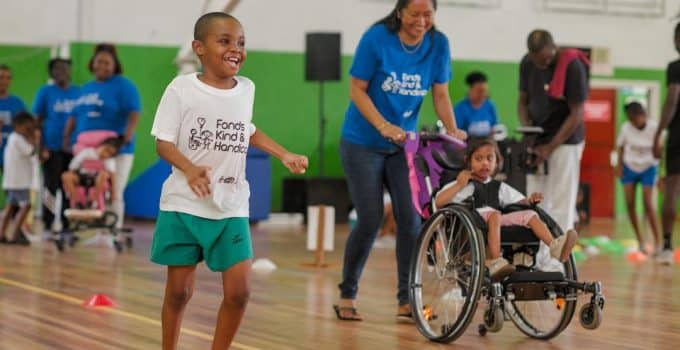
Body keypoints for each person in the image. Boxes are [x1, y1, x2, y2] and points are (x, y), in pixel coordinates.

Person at [149, 12, 308, 349]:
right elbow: (163, 141)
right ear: (199, 48)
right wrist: (190, 169)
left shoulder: (246, 89)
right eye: (225, 41)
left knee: (240, 293)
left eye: (241, 43)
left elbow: (246, 129)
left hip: (231, 206)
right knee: (179, 293)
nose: (236, 49)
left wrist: (283, 154)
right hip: (184, 204)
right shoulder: (181, 89)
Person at [335, 0, 467, 322]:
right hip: (362, 143)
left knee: (410, 220)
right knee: (370, 218)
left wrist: (452, 130)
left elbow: (440, 94)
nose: (421, 21)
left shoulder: (439, 44)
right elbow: (356, 89)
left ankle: (407, 300)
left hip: (404, 146)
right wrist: (382, 125)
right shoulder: (377, 38)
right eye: (414, 14)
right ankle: (347, 294)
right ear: (400, 13)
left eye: (428, 14)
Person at [435, 138, 577, 280]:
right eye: (478, 159)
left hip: (495, 221)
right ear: (469, 162)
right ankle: (496, 260)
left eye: (489, 158)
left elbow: (519, 201)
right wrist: (459, 185)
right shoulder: (464, 184)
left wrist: (530, 200)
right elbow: (438, 202)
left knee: (530, 214)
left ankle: (554, 246)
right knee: (494, 214)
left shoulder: (499, 187)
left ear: (497, 162)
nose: (485, 163)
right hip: (473, 221)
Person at [517, 29, 589, 271]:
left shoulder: (572, 65)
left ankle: (557, 262)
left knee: (560, 201)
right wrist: (528, 133)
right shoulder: (527, 64)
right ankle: (536, 258)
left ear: (553, 48)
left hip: (565, 141)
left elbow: (577, 114)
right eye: (539, 60)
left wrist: (550, 147)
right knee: (534, 201)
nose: (543, 64)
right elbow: (522, 101)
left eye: (547, 59)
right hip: (539, 139)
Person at [63, 44, 140, 231]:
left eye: (107, 63)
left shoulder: (123, 85)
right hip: (87, 150)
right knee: (84, 185)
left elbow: (134, 112)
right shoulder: (86, 88)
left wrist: (127, 136)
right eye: (99, 62)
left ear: (114, 65)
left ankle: (114, 230)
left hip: (114, 149)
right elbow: (74, 115)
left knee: (115, 189)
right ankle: (88, 222)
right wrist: (66, 138)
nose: (102, 66)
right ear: (92, 64)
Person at [33, 58, 80, 233]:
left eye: (65, 68)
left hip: (73, 149)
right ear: (51, 72)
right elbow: (37, 122)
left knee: (69, 187)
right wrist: (40, 148)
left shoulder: (78, 92)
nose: (62, 71)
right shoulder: (45, 92)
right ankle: (48, 223)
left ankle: (67, 224)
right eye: (57, 69)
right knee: (50, 187)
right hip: (51, 148)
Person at [615, 102, 660, 254]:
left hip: (649, 167)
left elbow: (661, 152)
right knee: (629, 203)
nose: (633, 122)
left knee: (648, 203)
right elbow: (620, 147)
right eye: (630, 119)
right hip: (630, 166)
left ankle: (659, 242)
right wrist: (619, 165)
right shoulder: (626, 128)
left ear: (643, 115)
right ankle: (640, 240)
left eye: (635, 119)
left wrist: (662, 174)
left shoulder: (654, 128)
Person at [653, 22, 680, 265]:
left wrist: (659, 132)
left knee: (672, 189)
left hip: (678, 135)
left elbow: (672, 99)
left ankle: (668, 245)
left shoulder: (675, 67)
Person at [0, 112, 39, 245]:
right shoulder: (18, 139)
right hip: (19, 182)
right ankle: (15, 234)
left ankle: (2, 233)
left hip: (11, 181)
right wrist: (34, 139)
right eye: (28, 128)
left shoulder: (12, 138)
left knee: (11, 207)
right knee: (26, 205)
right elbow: (32, 151)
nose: (29, 131)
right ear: (18, 126)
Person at [61, 136, 122, 209]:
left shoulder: (109, 160)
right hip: (82, 177)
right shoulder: (87, 152)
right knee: (65, 176)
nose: (106, 154)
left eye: (110, 154)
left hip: (97, 180)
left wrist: (113, 192)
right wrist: (68, 180)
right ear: (101, 145)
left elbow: (112, 175)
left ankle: (92, 200)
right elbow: (73, 167)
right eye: (106, 150)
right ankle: (77, 201)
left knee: (104, 174)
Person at [454, 71, 499, 138]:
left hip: (488, 142)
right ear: (470, 91)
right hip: (468, 143)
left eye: (485, 91)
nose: (483, 95)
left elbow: (495, 127)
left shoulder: (490, 106)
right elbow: (456, 132)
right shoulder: (460, 108)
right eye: (479, 91)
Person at [0, 64, 27, 170]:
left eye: (8, 78)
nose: (4, 81)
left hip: (12, 154)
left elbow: (27, 126)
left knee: (13, 186)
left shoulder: (17, 103)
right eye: (1, 77)